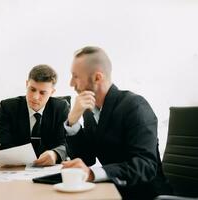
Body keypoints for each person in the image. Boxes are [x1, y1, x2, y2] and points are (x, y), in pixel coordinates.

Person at [62, 46, 172, 199]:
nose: (71, 83)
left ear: (97, 77)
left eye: (75, 76)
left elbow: (145, 166)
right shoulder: (89, 110)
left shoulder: (135, 106)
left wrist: (93, 174)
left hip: (146, 194)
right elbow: (87, 158)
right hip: (113, 190)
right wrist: (72, 122)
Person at [0, 64, 69, 166]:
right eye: (32, 89)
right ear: (26, 84)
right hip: (16, 168)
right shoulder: (8, 107)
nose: (35, 97)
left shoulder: (61, 108)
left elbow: (67, 143)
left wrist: (55, 154)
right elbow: (1, 146)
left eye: (42, 92)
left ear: (52, 92)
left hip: (49, 168)